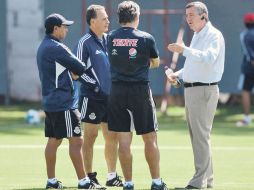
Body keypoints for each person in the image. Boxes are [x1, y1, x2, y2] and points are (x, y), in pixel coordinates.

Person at [36, 13, 103, 189]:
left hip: (50, 102)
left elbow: (71, 71)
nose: (66, 30)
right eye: (64, 27)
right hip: (63, 102)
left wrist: (71, 73)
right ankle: (84, 182)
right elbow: (80, 67)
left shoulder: (43, 46)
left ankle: (51, 181)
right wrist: (74, 73)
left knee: (54, 140)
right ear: (55, 28)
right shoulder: (57, 47)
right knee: (76, 140)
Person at [107, 1, 169, 190]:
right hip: (140, 91)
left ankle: (128, 183)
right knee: (150, 138)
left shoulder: (109, 37)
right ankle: (156, 182)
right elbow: (156, 62)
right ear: (137, 16)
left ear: (119, 17)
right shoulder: (146, 38)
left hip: (117, 91)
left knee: (124, 140)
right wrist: (141, 65)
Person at [167, 2, 225, 189]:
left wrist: (184, 50)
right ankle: (207, 181)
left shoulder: (213, 35)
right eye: (187, 15)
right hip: (193, 90)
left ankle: (197, 183)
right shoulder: (198, 35)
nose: (188, 18)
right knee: (198, 137)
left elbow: (208, 58)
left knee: (200, 137)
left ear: (204, 16)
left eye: (192, 14)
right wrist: (178, 74)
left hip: (204, 90)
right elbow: (194, 63)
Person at [73, 5, 123, 187]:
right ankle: (89, 176)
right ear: (93, 21)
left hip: (111, 98)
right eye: (104, 19)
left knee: (112, 136)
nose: (108, 21)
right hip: (91, 98)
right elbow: (76, 71)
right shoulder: (84, 42)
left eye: (107, 18)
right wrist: (94, 85)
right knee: (90, 137)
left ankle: (111, 176)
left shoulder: (110, 40)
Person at [236, 12, 254, 127]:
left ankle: (247, 118)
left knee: (245, 91)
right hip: (249, 66)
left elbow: (248, 53)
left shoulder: (244, 35)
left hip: (248, 67)